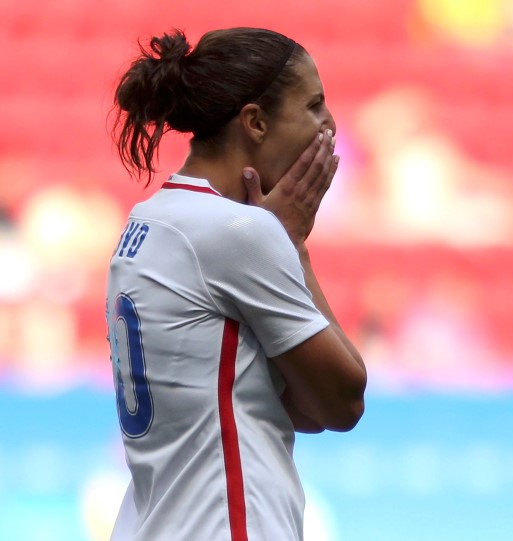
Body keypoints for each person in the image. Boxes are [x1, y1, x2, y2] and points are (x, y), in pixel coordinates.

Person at [106, 27, 367, 541]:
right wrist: (292, 245)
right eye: (314, 106)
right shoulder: (238, 234)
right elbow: (343, 402)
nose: (329, 125)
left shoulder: (148, 222)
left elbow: (299, 408)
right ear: (255, 121)